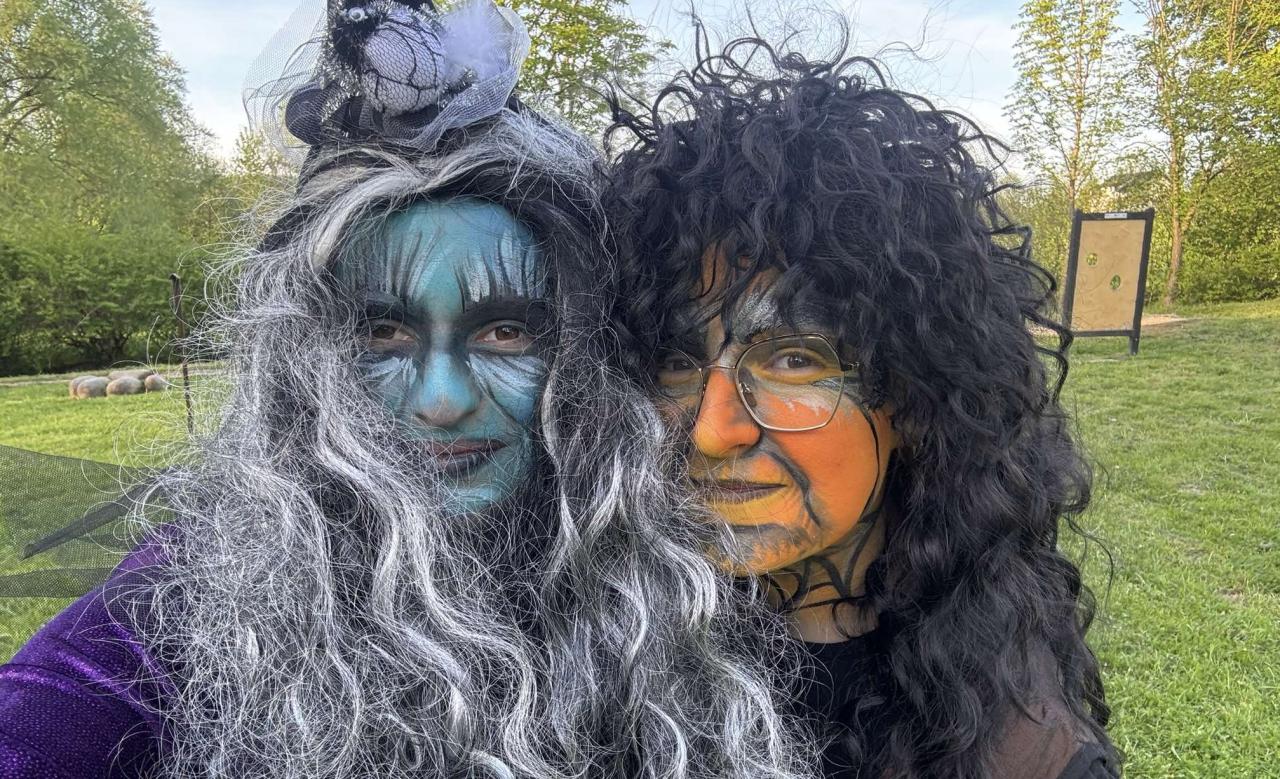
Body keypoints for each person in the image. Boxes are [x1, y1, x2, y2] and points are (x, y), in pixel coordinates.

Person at [0, 5, 812, 777]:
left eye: (506, 331)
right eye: (383, 334)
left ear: (585, 348)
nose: (442, 399)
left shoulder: (684, 568)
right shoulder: (197, 593)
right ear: (305, 359)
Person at [605, 34, 1120, 779]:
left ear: (915, 394)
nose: (712, 432)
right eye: (679, 362)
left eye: (793, 360)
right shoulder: (602, 662)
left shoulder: (1023, 752)